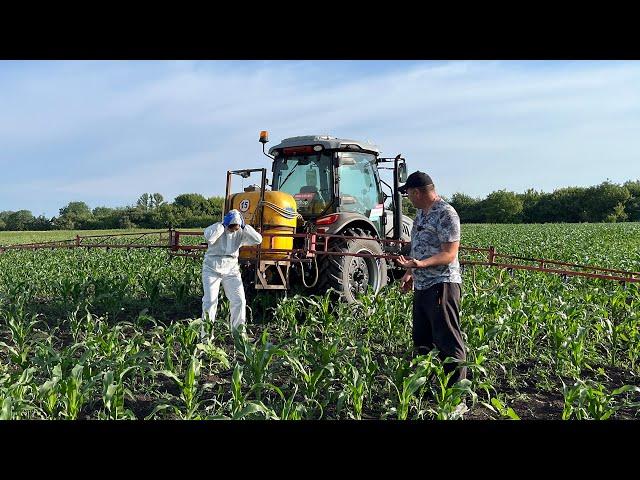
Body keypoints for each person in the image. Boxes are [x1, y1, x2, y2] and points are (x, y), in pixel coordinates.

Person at [396, 171, 466, 385]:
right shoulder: (421, 215)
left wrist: (421, 265)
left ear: (416, 192)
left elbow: (449, 254)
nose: (407, 196)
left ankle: (456, 398)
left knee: (447, 341)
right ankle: (425, 387)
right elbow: (419, 250)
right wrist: (410, 272)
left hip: (442, 284)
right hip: (423, 285)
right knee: (422, 339)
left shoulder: (446, 213)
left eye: (407, 192)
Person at [201, 209, 262, 341]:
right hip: (212, 268)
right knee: (210, 301)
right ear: (226, 224)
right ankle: (206, 338)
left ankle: (239, 334)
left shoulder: (241, 231)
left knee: (239, 300)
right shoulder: (217, 228)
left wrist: (246, 227)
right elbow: (209, 238)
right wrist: (222, 226)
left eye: (237, 227)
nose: (234, 230)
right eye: (231, 227)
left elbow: (258, 240)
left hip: (231, 269)